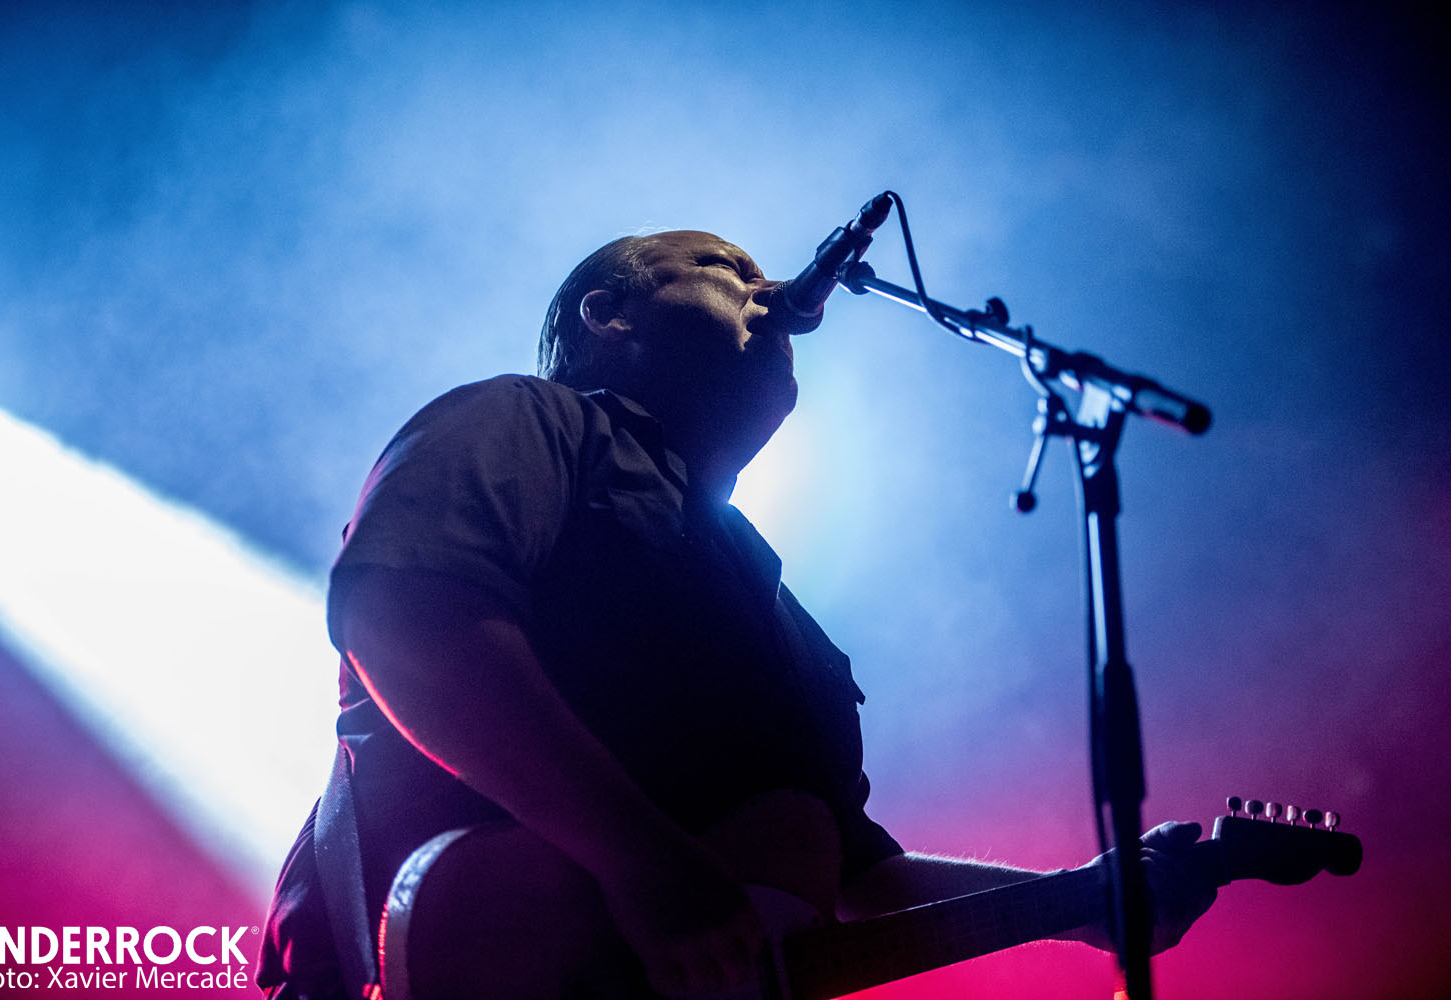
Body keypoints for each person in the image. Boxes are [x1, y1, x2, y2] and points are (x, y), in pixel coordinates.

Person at [258, 229, 1216, 998]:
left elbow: (858, 884)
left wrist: (1086, 900)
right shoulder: (532, 421)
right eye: (727, 268)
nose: (769, 291)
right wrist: (643, 864)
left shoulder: (788, 627)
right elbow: (408, 613)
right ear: (609, 315)